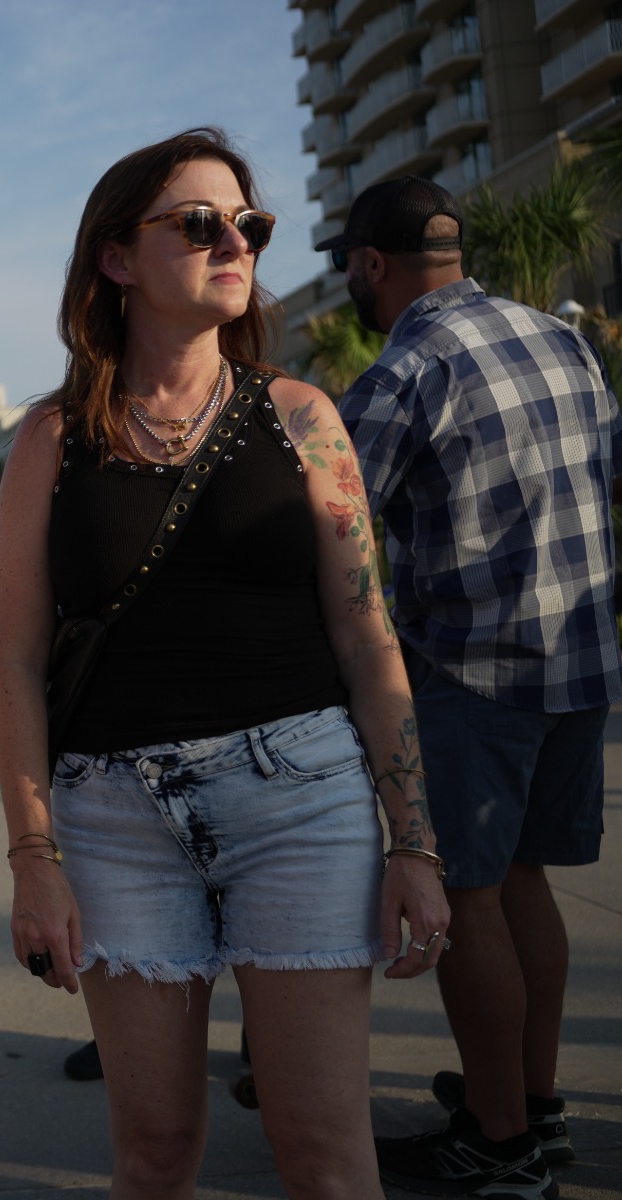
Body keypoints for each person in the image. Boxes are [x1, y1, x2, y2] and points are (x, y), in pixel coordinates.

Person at [0, 128, 451, 1199]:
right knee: (154, 1154)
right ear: (117, 258)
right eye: (200, 223)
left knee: (322, 1152)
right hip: (113, 820)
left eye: (250, 224)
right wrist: (32, 857)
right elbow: (15, 663)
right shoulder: (52, 439)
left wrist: (415, 843)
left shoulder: (303, 419)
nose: (235, 242)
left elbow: (367, 637)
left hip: (302, 804)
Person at [322, 175, 619, 1197]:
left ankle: (499, 1144)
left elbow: (329, 529)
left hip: (471, 676)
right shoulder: (563, 338)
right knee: (525, 881)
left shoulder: (406, 371)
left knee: (464, 900)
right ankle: (532, 1105)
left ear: (372, 264)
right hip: (581, 665)